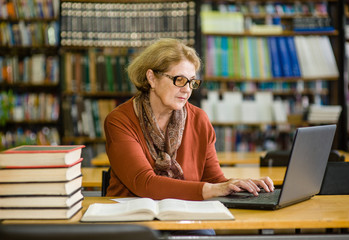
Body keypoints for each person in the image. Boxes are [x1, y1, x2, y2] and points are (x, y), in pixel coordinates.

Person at [104, 38, 274, 234]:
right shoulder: (119, 120)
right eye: (179, 80)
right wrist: (211, 189)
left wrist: (243, 186)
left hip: (186, 216)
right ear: (151, 78)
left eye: (192, 82)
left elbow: (215, 180)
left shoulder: (199, 119)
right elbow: (144, 183)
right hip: (131, 220)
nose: (186, 89)